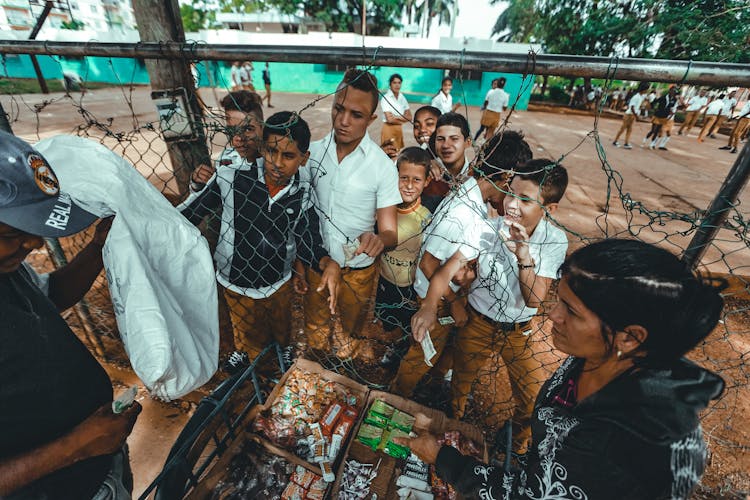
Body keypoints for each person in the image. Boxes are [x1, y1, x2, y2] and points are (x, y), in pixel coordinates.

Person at [397, 238, 725, 500]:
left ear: (631, 336)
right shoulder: (598, 358)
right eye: (559, 299)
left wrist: (443, 459)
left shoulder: (619, 445)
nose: (552, 315)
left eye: (571, 310)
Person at [0, 131, 141, 498]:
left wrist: (97, 249)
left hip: (96, 460)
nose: (33, 244)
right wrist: (75, 447)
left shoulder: (7, 270)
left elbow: (49, 297)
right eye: (12, 234)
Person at [411, 159, 568, 452]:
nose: (511, 205)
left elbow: (534, 300)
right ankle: (453, 430)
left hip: (519, 331)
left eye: (525, 200)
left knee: (531, 397)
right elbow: (445, 271)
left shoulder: (554, 241)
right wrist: (430, 306)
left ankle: (514, 447)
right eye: (511, 193)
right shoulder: (486, 227)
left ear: (550, 209)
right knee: (461, 384)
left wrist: (523, 253)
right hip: (478, 323)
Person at [180, 109, 341, 367]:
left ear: (303, 158)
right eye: (270, 151)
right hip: (235, 280)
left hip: (279, 280)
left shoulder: (303, 191)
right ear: (263, 149)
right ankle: (247, 356)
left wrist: (325, 262)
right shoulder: (230, 177)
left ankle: (285, 349)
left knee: (282, 325)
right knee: (245, 327)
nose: (277, 162)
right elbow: (189, 214)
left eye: (288, 156)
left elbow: (308, 239)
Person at [391, 131, 532, 398]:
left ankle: (425, 388)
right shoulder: (463, 211)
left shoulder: (470, 193)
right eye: (516, 192)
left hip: (445, 290)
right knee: (420, 356)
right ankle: (396, 397)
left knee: (436, 351)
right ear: (507, 179)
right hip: (438, 297)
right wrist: (455, 302)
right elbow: (428, 263)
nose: (515, 200)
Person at [304, 69, 401, 360]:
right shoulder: (312, 154)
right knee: (316, 324)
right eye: (338, 109)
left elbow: (390, 231)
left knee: (351, 329)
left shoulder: (381, 167)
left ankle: (345, 370)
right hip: (318, 261)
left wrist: (379, 240)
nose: (343, 121)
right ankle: (317, 366)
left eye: (356, 115)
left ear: (372, 119)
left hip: (358, 269)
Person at [375, 147, 433, 368]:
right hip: (385, 279)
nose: (409, 186)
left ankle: (402, 350)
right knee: (387, 319)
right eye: (403, 178)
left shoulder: (426, 218)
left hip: (409, 286)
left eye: (416, 180)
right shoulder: (384, 210)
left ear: (426, 182)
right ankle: (394, 341)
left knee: (407, 322)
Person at [380, 73, 412, 152]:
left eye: (399, 83)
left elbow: (410, 117)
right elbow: (390, 120)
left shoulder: (402, 97)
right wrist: (403, 118)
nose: (397, 85)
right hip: (388, 129)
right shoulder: (386, 98)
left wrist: (396, 117)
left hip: (398, 129)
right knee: (388, 154)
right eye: (394, 83)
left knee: (397, 154)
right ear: (390, 84)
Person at [613, 81, 650, 149]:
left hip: (632, 115)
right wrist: (636, 116)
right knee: (623, 129)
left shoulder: (641, 96)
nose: (647, 91)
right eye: (646, 89)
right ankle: (615, 141)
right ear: (644, 89)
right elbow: (632, 107)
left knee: (629, 129)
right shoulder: (636, 97)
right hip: (629, 115)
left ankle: (626, 143)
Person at [477, 77, 509, 142]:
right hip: (496, 115)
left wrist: (486, 107)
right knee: (490, 132)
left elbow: (486, 102)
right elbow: (504, 108)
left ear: (497, 84)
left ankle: (479, 141)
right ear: (504, 85)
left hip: (488, 112)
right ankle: (485, 144)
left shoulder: (491, 92)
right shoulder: (506, 95)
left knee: (482, 129)